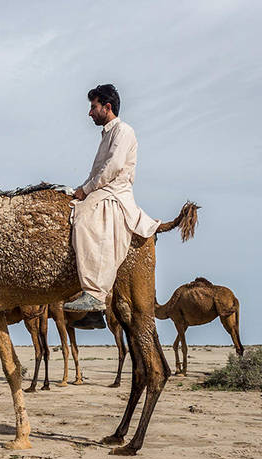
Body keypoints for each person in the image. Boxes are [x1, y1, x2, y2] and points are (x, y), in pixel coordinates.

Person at [64, 84, 161, 314]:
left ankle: (96, 293)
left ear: (107, 107)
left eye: (93, 107)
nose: (90, 113)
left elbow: (113, 168)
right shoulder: (107, 135)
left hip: (114, 194)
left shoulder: (124, 131)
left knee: (83, 219)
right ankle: (91, 312)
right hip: (104, 190)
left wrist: (86, 190)